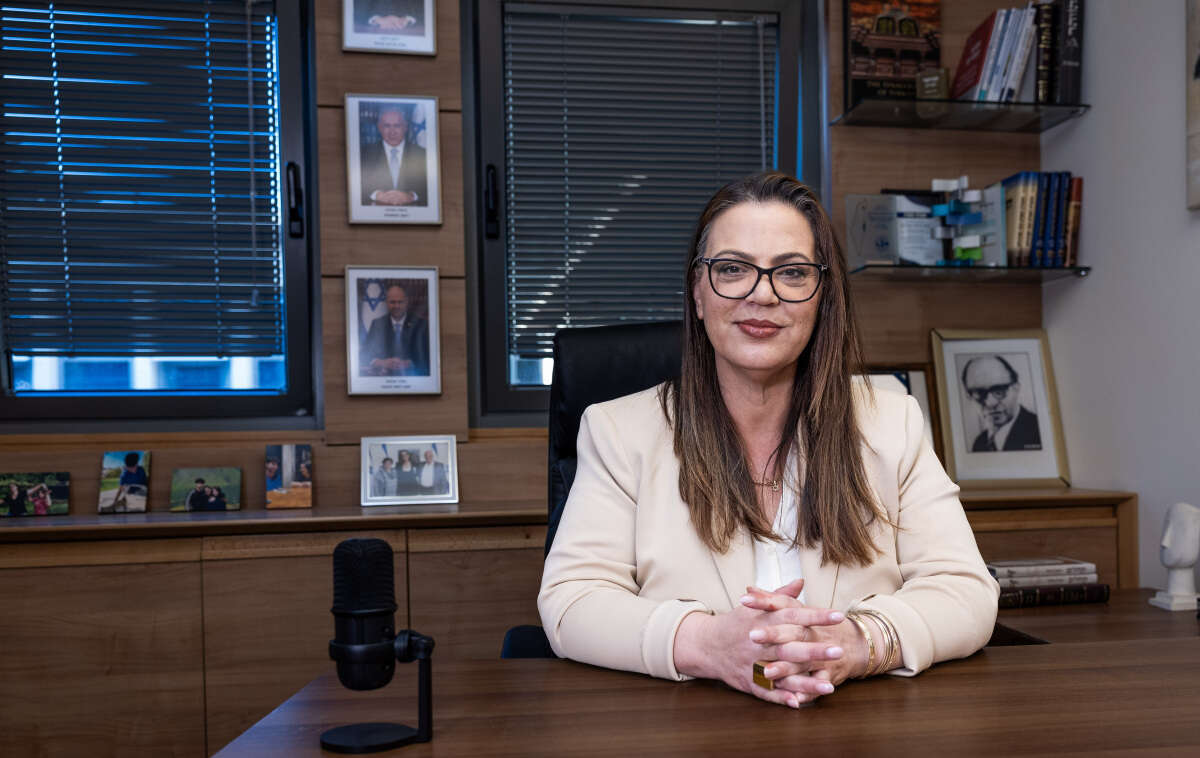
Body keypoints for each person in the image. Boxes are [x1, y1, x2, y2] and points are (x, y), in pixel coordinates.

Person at [538, 172, 998, 709]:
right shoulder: (619, 431)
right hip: (688, 728)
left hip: (861, 726)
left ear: (822, 296)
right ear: (698, 291)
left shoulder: (892, 421)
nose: (762, 294)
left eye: (792, 272)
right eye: (733, 269)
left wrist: (856, 643)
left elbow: (966, 590)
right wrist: (708, 645)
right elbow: (572, 602)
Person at [961, 355, 1041, 452]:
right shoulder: (979, 443)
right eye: (979, 393)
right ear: (969, 395)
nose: (990, 403)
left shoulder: (1040, 432)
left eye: (999, 390)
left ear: (1016, 387)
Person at [360, 105, 427, 207]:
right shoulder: (364, 154)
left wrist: (412, 196)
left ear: (405, 127)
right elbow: (357, 187)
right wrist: (376, 195)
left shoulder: (422, 154)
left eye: (397, 126)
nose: (392, 132)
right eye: (387, 126)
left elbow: (430, 189)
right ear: (379, 128)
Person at [359, 284, 430, 376]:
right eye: (392, 302)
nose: (397, 306)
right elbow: (365, 354)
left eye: (400, 302)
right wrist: (381, 362)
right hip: (383, 379)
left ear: (406, 302)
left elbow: (428, 356)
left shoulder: (421, 324)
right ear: (386, 302)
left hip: (412, 378)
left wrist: (410, 363)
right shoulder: (377, 324)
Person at [353, 0, 422, 33]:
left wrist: (408, 18)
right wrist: (375, 18)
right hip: (370, 31)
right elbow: (353, 6)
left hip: (407, 31)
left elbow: (424, 7)